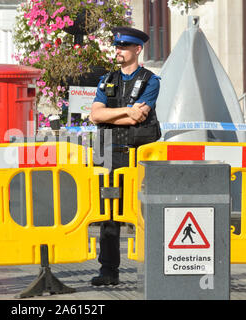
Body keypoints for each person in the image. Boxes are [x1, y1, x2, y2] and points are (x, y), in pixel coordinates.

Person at [89, 26, 161, 286]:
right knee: (108, 215)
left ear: (137, 50)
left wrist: (119, 113)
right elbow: (95, 115)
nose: (117, 50)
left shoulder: (150, 80)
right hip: (109, 154)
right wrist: (126, 112)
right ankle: (108, 270)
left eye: (123, 47)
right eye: (117, 47)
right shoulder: (107, 79)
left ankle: (153, 267)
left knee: (144, 212)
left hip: (138, 155)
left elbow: (140, 115)